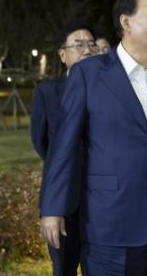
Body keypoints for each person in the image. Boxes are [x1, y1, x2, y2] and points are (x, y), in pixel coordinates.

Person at [39, 0, 147, 276]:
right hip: (113, 222)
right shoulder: (88, 74)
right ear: (126, 22)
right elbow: (65, 146)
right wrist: (52, 207)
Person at [31, 23, 98, 275]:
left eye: (91, 44)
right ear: (62, 55)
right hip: (65, 197)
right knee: (64, 268)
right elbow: (43, 143)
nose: (87, 50)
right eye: (78, 45)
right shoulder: (48, 91)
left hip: (104, 198)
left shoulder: (111, 90)